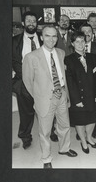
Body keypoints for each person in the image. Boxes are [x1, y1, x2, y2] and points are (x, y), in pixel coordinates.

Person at [22, 25, 77, 169]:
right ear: (41, 37)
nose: (51, 39)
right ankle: (46, 158)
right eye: (47, 35)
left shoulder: (60, 53)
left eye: (54, 36)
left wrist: (65, 94)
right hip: (45, 98)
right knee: (45, 131)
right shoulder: (31, 57)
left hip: (62, 94)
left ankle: (64, 148)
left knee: (64, 125)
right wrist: (39, 96)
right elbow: (28, 82)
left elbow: (63, 75)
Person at [65, 31, 96, 154]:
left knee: (92, 118)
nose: (80, 44)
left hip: (92, 94)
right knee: (80, 120)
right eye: (77, 41)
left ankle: (90, 138)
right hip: (79, 96)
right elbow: (70, 82)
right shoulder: (68, 60)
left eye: (82, 41)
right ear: (72, 43)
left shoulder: (92, 57)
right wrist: (76, 100)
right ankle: (83, 141)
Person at [12, 11, 43, 149]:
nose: (31, 23)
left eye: (34, 21)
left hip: (43, 82)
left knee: (46, 110)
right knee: (26, 113)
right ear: (23, 23)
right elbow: (14, 62)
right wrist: (27, 78)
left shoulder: (44, 39)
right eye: (28, 21)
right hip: (23, 83)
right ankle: (25, 137)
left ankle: (51, 132)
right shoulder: (14, 41)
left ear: (37, 24)